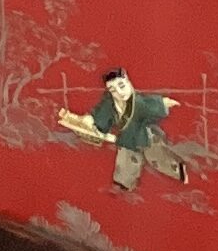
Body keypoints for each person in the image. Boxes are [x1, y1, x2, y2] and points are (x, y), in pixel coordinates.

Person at [58, 67, 189, 194]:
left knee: (159, 159)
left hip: (146, 137)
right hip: (127, 139)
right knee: (125, 166)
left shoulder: (139, 103)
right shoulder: (109, 103)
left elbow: (153, 104)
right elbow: (100, 116)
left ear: (128, 82)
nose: (119, 92)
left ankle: (182, 175)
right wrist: (88, 120)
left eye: (121, 86)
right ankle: (124, 189)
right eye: (113, 90)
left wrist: (164, 102)